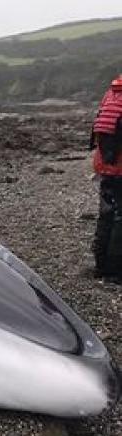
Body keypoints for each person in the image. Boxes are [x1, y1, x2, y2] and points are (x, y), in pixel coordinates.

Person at [91, 75, 122, 281]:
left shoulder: (111, 93)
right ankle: (115, 271)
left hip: (104, 163)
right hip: (120, 166)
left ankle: (101, 264)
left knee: (107, 213)